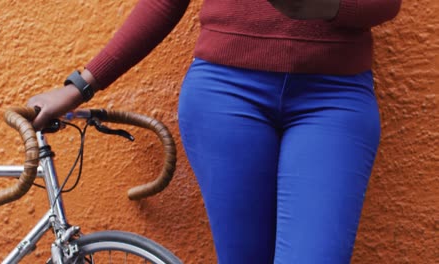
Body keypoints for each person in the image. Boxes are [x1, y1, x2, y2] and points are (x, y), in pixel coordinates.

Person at [27, 0, 402, 263]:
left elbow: (387, 2)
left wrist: (329, 6)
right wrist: (81, 85)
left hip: (333, 99)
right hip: (226, 97)